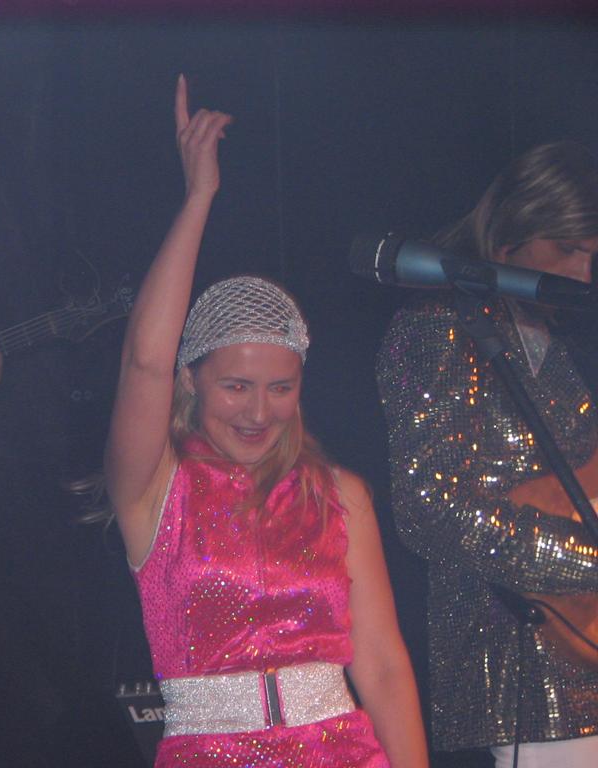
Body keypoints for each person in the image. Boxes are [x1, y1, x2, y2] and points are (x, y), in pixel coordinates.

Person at [104, 75, 427, 767]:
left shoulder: (339, 494)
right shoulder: (156, 488)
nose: (258, 411)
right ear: (191, 381)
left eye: (281, 388)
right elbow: (143, 363)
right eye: (236, 387)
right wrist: (198, 198)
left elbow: (383, 667)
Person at [377, 142, 598, 767]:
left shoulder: (545, 339)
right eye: (569, 250)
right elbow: (430, 507)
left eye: (592, 256)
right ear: (508, 241)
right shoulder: (436, 325)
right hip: (521, 669)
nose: (584, 275)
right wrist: (585, 558)